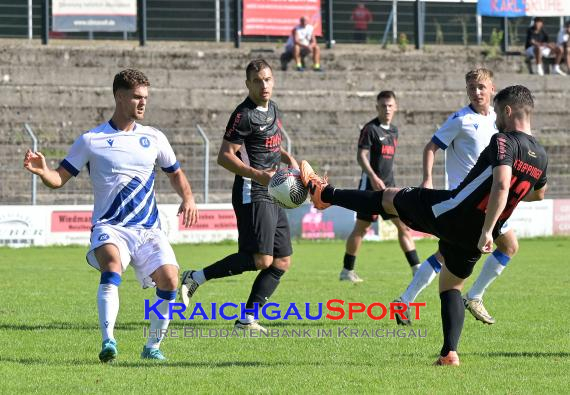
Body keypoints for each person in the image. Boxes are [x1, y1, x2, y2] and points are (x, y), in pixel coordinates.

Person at [301, 84, 548, 366]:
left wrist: (487, 229)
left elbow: (502, 183)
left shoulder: (503, 141)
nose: (495, 121)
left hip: (452, 212)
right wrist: (489, 224)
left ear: (507, 110)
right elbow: (537, 193)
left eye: (497, 115)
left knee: (390, 197)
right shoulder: (541, 156)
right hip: (473, 236)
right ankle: (449, 354)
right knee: (451, 286)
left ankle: (324, 194)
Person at [23, 69, 199, 362]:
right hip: (110, 227)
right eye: (136, 98)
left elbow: (175, 173)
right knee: (112, 266)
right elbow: (58, 178)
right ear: (119, 96)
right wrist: (43, 171)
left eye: (146, 98)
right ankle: (109, 341)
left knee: (170, 279)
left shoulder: (154, 137)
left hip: (148, 229)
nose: (143, 103)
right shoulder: (92, 140)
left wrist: (189, 197)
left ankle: (152, 347)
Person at [179, 59, 299, 333]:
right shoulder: (242, 115)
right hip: (252, 190)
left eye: (267, 79)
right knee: (261, 260)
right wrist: (256, 174)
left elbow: (270, 144)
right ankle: (196, 277)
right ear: (248, 84)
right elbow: (224, 156)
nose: (264, 85)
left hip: (274, 188)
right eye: (257, 81)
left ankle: (247, 319)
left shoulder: (273, 108)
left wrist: (288, 157)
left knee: (281, 261)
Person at [394, 68, 519, 326]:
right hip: (468, 202)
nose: (476, 92)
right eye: (471, 87)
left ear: (492, 88)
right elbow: (431, 147)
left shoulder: (498, 121)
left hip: (486, 200)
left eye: (481, 87)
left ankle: (405, 301)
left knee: (446, 254)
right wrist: (427, 179)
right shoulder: (460, 120)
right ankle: (473, 296)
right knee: (506, 246)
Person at [341, 91, 420, 283]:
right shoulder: (370, 129)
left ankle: (417, 269)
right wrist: (373, 177)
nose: (387, 109)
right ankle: (346, 271)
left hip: (389, 187)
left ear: (396, 107)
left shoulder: (394, 130)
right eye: (383, 106)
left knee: (403, 225)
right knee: (361, 228)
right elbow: (361, 156)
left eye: (390, 105)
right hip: (370, 187)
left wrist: (386, 180)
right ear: (377, 107)